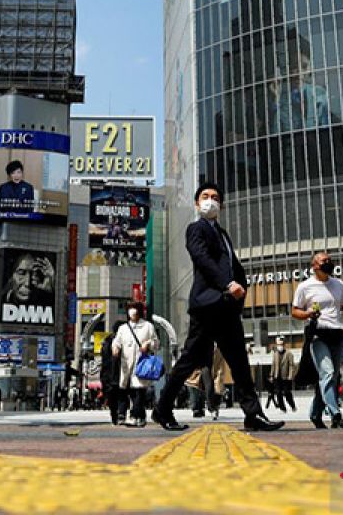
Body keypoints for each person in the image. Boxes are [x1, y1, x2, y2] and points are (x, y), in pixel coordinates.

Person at [151, 182, 282, 432]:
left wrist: (240, 290)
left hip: (227, 309)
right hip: (207, 307)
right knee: (189, 361)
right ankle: (162, 409)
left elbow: (234, 266)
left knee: (240, 364)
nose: (210, 200)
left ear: (220, 205)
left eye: (215, 197)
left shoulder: (222, 233)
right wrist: (228, 284)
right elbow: (203, 259)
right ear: (197, 203)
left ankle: (253, 414)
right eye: (205, 196)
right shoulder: (195, 229)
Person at [292, 252, 343, 430]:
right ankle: (335, 414)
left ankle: (315, 414)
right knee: (327, 372)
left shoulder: (339, 285)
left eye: (329, 260)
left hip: (336, 333)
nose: (329, 263)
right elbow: (295, 311)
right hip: (318, 334)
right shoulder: (305, 287)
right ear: (315, 266)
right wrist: (308, 314)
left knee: (331, 376)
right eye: (324, 261)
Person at [111, 303, 158, 428]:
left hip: (141, 364)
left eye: (135, 309)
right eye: (130, 309)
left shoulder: (148, 326)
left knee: (139, 391)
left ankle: (135, 416)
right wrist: (115, 348)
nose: (132, 312)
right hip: (126, 365)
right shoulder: (123, 328)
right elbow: (117, 341)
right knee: (129, 391)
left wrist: (148, 344)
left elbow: (156, 342)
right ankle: (139, 416)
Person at [269, 337, 298, 412]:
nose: (280, 346)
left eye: (281, 344)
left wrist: (290, 376)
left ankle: (292, 405)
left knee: (287, 393)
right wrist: (271, 375)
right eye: (278, 344)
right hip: (277, 376)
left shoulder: (289, 354)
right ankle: (282, 408)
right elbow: (273, 365)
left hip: (286, 377)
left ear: (284, 345)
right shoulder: (275, 354)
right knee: (278, 393)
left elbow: (292, 365)